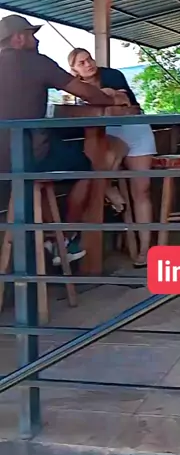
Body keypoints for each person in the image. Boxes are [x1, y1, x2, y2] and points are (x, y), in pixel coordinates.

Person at [0, 14, 129, 264]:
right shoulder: (36, 62)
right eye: (31, 35)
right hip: (27, 158)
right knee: (86, 164)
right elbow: (88, 94)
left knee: (38, 177)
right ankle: (64, 238)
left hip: (5, 163)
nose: (36, 40)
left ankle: (50, 239)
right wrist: (111, 97)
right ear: (18, 39)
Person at [67, 48, 156, 267]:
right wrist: (106, 96)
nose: (88, 64)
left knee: (141, 190)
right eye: (81, 63)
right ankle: (110, 192)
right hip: (109, 132)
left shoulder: (111, 74)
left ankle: (145, 249)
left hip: (135, 127)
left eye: (89, 59)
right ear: (74, 70)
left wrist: (107, 94)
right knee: (96, 168)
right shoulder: (75, 88)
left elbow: (123, 98)